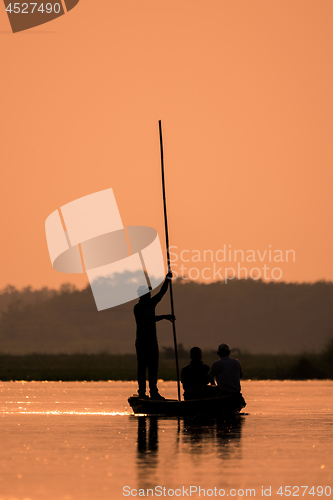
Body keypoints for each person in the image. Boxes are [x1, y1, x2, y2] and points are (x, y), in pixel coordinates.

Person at [134, 272, 175, 400]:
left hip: (152, 342)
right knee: (142, 368)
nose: (150, 294)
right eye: (147, 292)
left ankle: (154, 392)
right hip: (142, 343)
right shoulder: (138, 307)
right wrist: (165, 316)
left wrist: (167, 279)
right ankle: (142, 392)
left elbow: (162, 292)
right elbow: (148, 319)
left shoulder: (151, 303)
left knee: (153, 368)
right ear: (142, 295)